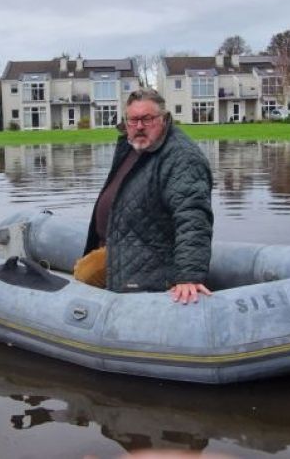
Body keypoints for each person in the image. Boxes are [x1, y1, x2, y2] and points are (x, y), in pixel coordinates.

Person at [75, 88, 214, 304]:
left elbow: (193, 217)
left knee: (84, 272)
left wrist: (188, 276)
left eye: (147, 119)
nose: (139, 126)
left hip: (152, 263)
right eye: (133, 120)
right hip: (123, 248)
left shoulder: (182, 158)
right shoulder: (133, 146)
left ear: (164, 118)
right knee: (83, 269)